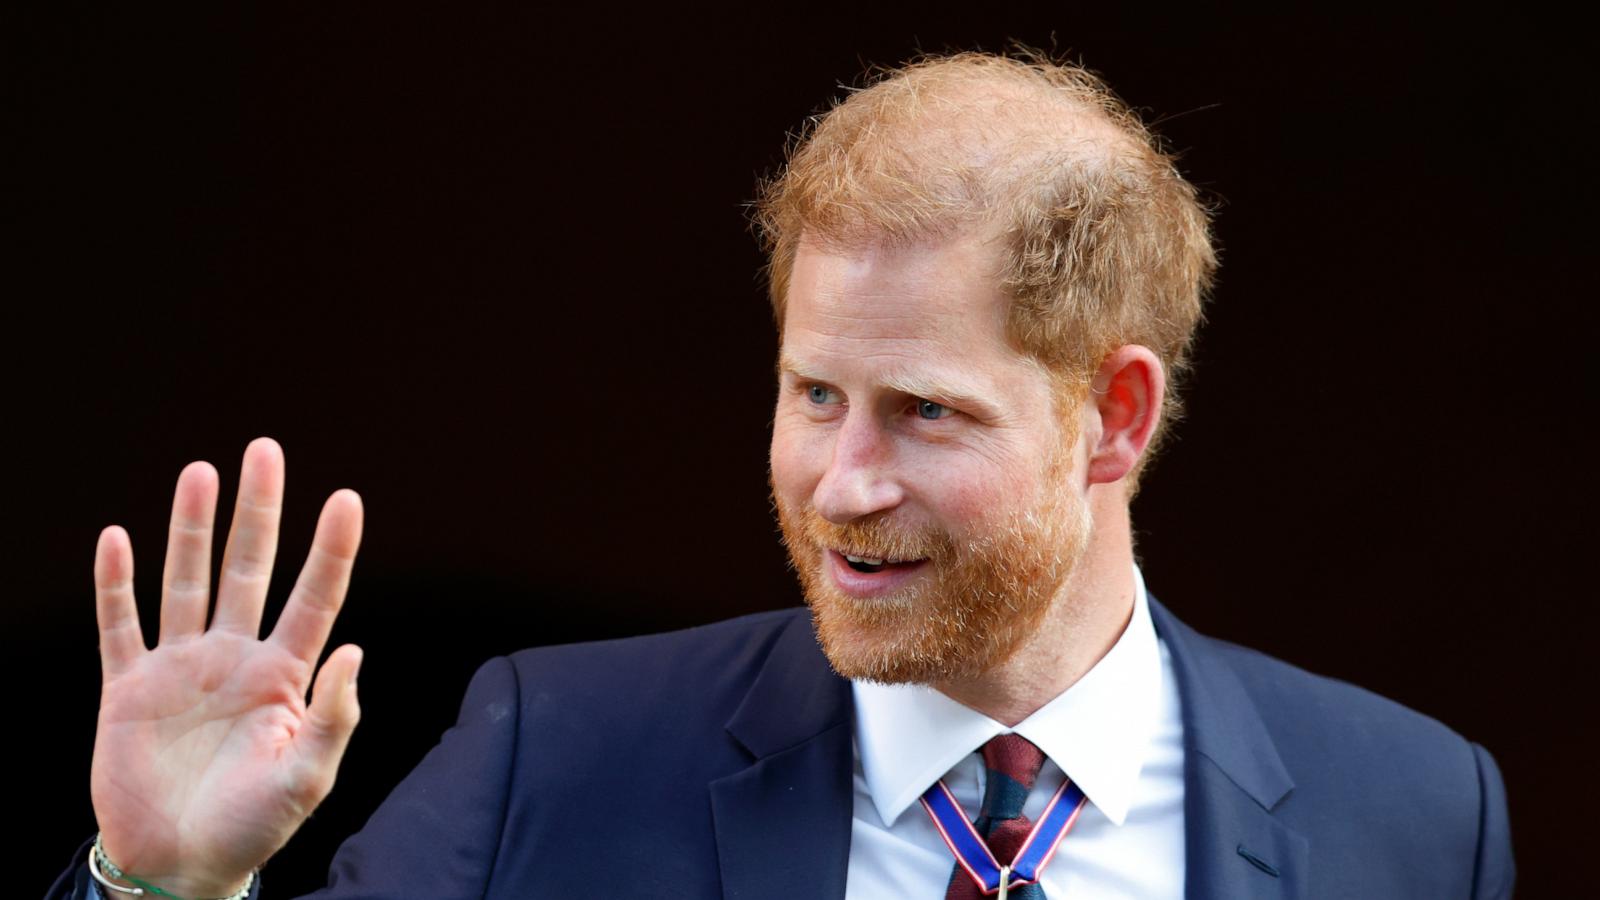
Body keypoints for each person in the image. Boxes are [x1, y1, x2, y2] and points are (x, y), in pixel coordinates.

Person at [51, 50, 1513, 899]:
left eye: (925, 413)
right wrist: (161, 891)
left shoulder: (1419, 818)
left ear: (1115, 419)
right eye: (814, 393)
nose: (840, 483)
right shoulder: (548, 759)